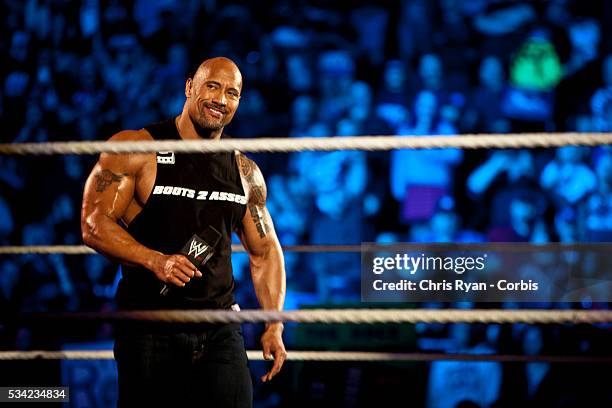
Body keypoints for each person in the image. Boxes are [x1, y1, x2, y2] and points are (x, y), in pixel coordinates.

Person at [81, 57, 286, 407]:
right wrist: (154, 260)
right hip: (150, 327)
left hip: (220, 327)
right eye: (212, 86)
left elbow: (265, 251)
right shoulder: (137, 149)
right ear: (189, 87)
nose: (221, 99)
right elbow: (94, 224)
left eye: (232, 93)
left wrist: (274, 325)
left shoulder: (244, 171)